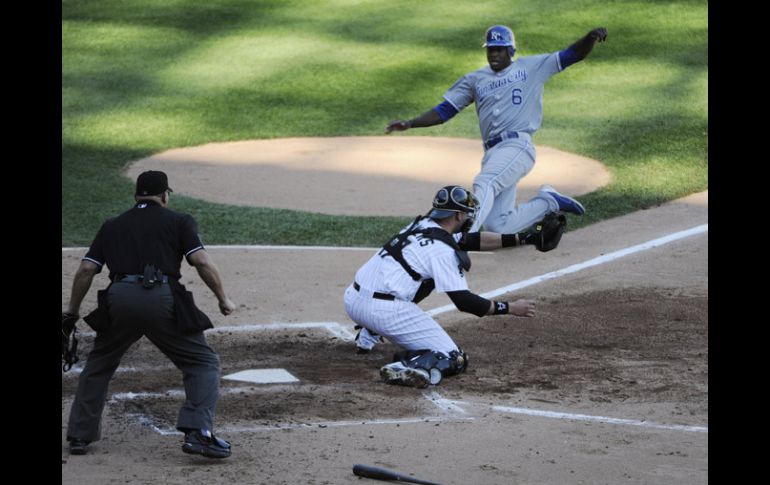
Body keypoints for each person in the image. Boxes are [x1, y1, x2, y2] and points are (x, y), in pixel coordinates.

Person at [62, 170, 237, 458]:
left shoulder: (112, 225)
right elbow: (201, 261)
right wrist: (223, 299)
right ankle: (198, 432)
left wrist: (72, 310)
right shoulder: (179, 221)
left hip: (118, 300)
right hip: (161, 300)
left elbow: (86, 269)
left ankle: (80, 435)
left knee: (99, 364)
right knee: (203, 362)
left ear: (136, 196)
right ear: (165, 195)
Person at [386, 25, 608, 234]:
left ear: (511, 50)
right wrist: (411, 123)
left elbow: (572, 55)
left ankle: (463, 234)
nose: (494, 54)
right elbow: (445, 110)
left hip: (517, 146)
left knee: (485, 182)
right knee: (497, 225)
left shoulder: (531, 67)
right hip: (492, 154)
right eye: (491, 49)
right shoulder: (475, 79)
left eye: (499, 49)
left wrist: (590, 38)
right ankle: (548, 203)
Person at [344, 185, 537, 388]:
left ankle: (370, 331)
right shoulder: (442, 252)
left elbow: (470, 240)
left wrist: (523, 238)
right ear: (458, 215)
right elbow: (464, 302)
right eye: (467, 214)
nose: (468, 218)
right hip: (383, 312)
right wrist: (511, 307)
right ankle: (404, 367)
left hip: (353, 300)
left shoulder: (421, 224)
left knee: (426, 280)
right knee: (453, 358)